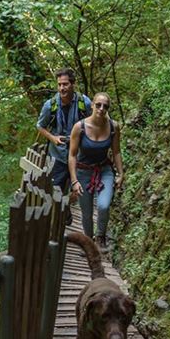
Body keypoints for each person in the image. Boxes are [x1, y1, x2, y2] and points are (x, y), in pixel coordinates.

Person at [67, 92, 122, 251]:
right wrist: (74, 181)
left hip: (104, 170)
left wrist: (121, 174)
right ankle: (88, 244)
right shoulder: (80, 127)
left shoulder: (113, 127)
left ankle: (101, 237)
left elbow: (116, 152)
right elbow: (72, 155)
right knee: (86, 212)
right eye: (98, 104)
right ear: (92, 105)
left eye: (105, 106)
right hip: (83, 172)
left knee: (104, 206)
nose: (101, 108)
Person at [35, 69, 90, 199]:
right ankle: (60, 216)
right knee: (54, 193)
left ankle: (69, 213)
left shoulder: (85, 103)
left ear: (73, 84)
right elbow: (40, 125)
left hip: (79, 156)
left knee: (79, 192)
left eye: (65, 84)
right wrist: (52, 138)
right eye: (59, 85)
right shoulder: (50, 106)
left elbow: (93, 124)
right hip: (57, 157)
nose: (62, 88)